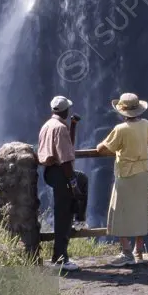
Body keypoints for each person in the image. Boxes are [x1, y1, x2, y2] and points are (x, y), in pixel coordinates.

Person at [96, 92, 148, 265]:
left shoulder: (120, 129)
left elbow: (102, 148)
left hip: (126, 173)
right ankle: (139, 251)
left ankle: (126, 251)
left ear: (122, 112)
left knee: (119, 210)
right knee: (141, 210)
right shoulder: (146, 124)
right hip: (143, 171)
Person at [36, 95, 83, 272]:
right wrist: (73, 184)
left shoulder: (47, 125)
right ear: (65, 110)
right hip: (61, 172)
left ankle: (79, 216)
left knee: (82, 180)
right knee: (63, 215)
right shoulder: (60, 129)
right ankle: (60, 258)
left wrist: (73, 126)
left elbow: (66, 146)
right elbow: (64, 159)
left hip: (50, 172)